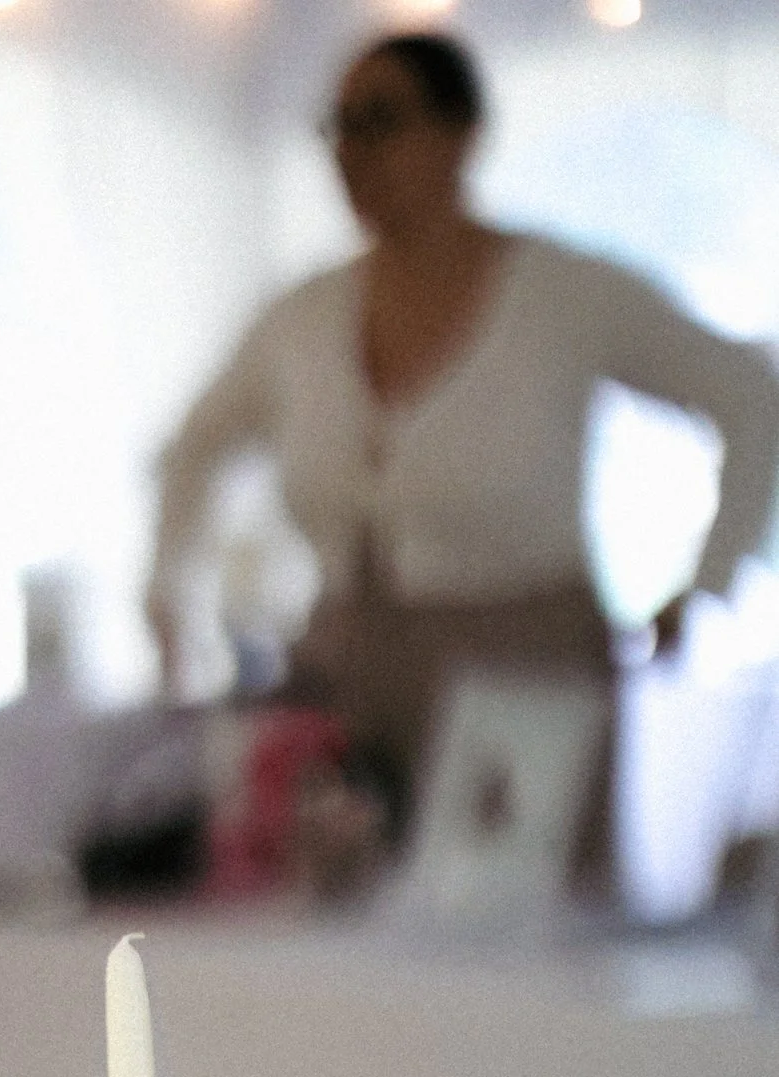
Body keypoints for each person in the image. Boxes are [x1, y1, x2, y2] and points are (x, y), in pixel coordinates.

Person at [148, 30, 779, 839]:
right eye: (339, 126)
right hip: (350, 694)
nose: (354, 152)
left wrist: (706, 585)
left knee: (526, 936)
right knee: (342, 942)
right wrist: (170, 591)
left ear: (461, 135)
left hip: (528, 689)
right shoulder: (302, 318)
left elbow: (749, 396)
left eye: (382, 120)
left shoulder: (564, 293)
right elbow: (193, 448)